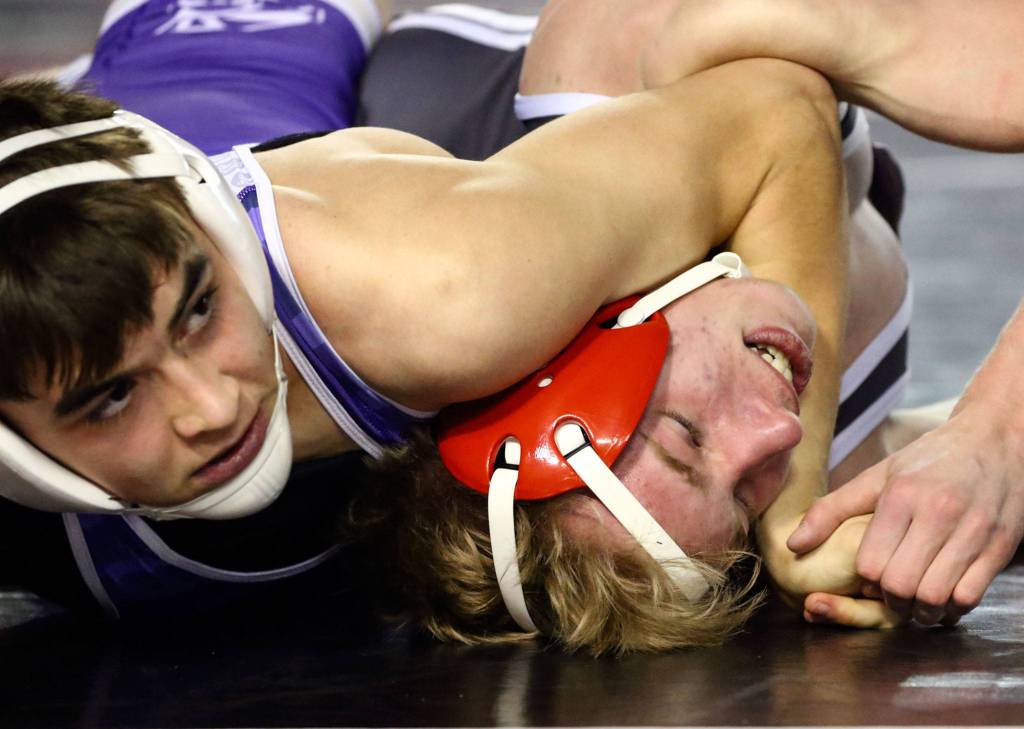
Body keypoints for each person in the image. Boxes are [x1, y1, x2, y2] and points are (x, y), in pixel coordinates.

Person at [0, 1, 851, 621]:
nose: (213, 406)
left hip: (244, 78)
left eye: (199, 311)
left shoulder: (449, 287)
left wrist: (795, 520)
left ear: (213, 226)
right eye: (112, 397)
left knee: (669, 53)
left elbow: (776, 118)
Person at [615, 0, 1024, 631]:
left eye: (685, 433)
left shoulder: (633, 127)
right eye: (742, 503)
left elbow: (767, 91)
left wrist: (1004, 428)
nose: (778, 436)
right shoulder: (805, 495)